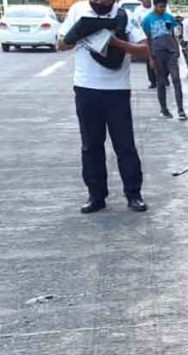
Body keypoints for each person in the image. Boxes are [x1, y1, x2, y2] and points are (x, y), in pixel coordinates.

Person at [58, 0, 151, 214]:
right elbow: (61, 44)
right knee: (91, 145)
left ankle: (133, 194)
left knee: (125, 145)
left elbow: (145, 50)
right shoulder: (78, 11)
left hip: (117, 90)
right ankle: (96, 196)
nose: (102, 2)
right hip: (86, 88)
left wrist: (117, 43)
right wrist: (79, 33)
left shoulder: (124, 16)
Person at [142, 0, 186, 119]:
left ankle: (180, 109)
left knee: (176, 79)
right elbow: (147, 39)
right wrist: (150, 57)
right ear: (155, 6)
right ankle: (164, 108)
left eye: (164, 6)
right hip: (157, 53)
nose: (163, 9)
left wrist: (177, 50)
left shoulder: (170, 18)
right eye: (161, 6)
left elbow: (175, 34)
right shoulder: (148, 20)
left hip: (171, 52)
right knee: (160, 81)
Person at [131, 0, 155, 88]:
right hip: (146, 37)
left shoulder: (157, 6)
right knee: (150, 59)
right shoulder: (138, 11)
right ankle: (153, 81)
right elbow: (134, 25)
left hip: (158, 36)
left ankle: (163, 78)